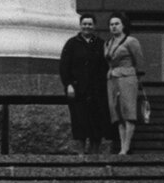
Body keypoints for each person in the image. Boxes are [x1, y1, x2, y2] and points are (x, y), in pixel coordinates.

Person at [59, 13, 112, 154]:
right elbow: (64, 66)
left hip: (97, 90)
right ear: (80, 25)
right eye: (84, 24)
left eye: (90, 24)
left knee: (97, 121)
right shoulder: (71, 43)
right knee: (80, 121)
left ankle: (95, 152)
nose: (87, 26)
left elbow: (105, 66)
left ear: (94, 26)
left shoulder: (101, 44)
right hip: (78, 90)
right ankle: (81, 153)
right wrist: (68, 85)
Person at [104, 12, 145, 155]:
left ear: (123, 25)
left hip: (127, 78)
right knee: (118, 113)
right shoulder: (108, 43)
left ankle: (126, 147)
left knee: (128, 112)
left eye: (117, 24)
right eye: (111, 24)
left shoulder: (131, 41)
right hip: (112, 78)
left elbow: (139, 61)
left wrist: (138, 79)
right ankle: (122, 146)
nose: (114, 27)